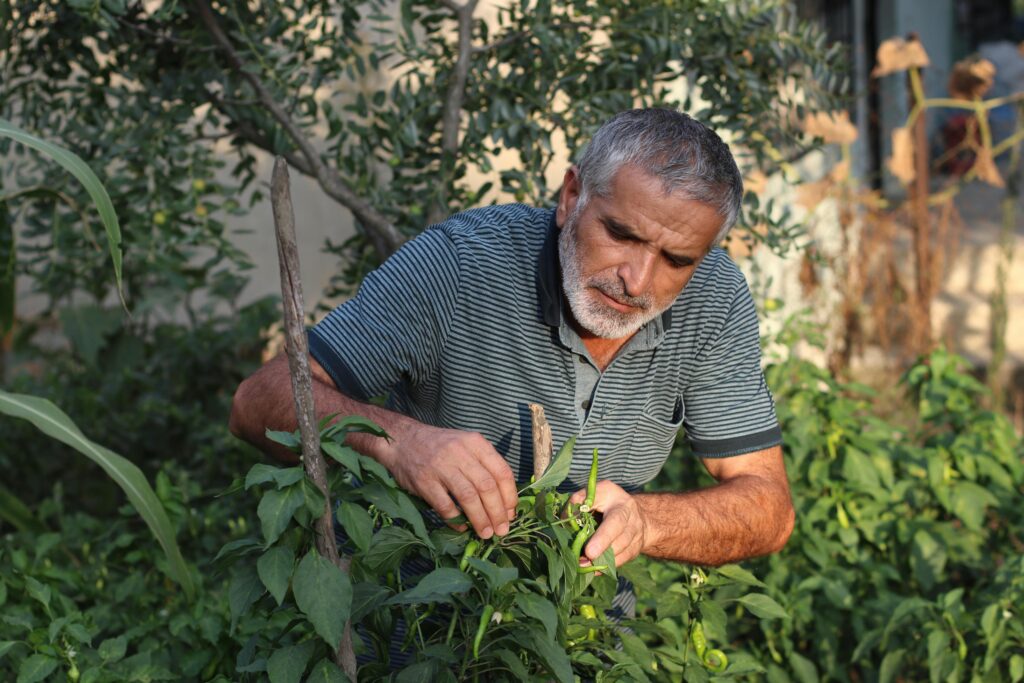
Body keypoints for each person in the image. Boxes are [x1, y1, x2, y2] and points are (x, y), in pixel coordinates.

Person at [229, 108, 794, 595]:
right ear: (571, 196)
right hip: (417, 639)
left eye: (677, 260)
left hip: (585, 644)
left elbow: (769, 507)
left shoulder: (714, 298)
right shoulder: (460, 265)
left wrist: (646, 522)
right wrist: (398, 443)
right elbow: (259, 401)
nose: (638, 280)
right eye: (621, 234)